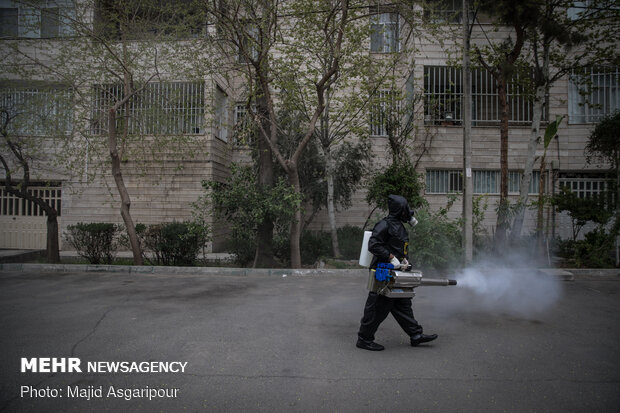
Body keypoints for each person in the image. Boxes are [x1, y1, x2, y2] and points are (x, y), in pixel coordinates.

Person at [356, 194, 437, 351]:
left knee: (403, 304)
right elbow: (373, 245)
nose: (408, 213)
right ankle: (364, 339)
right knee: (377, 307)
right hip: (383, 272)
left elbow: (400, 248)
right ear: (400, 209)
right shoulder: (384, 225)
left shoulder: (399, 226)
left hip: (397, 272)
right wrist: (391, 257)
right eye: (405, 209)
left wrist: (405, 260)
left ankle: (416, 335)